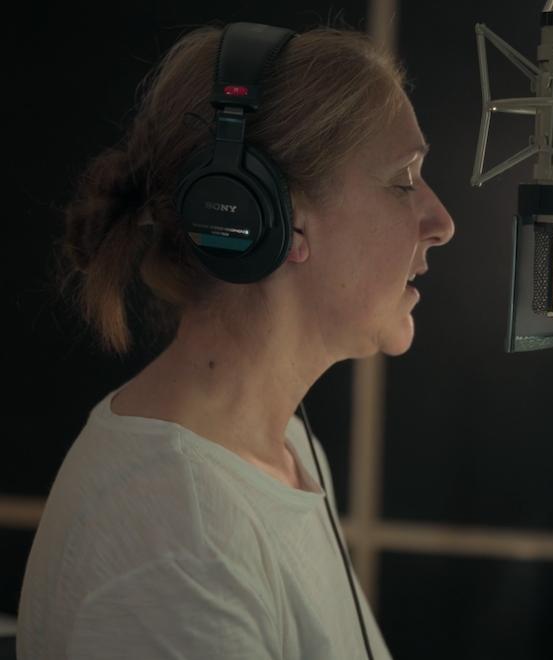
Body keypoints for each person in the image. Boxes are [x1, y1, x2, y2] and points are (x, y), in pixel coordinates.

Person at [17, 21, 453, 660]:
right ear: (266, 212)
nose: (441, 222)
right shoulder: (176, 539)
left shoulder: (286, 451)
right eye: (402, 178)